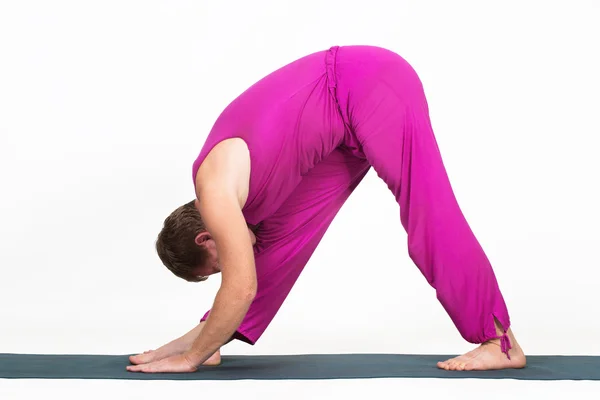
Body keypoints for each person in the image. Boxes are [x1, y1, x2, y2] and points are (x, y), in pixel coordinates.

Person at [126, 45, 526, 374]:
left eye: (216, 265)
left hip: (369, 82)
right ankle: (213, 334)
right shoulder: (235, 194)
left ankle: (500, 341)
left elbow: (242, 286)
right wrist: (198, 342)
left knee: (427, 211)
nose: (227, 266)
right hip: (339, 123)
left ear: (205, 236)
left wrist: (190, 360)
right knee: (280, 240)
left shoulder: (215, 191)